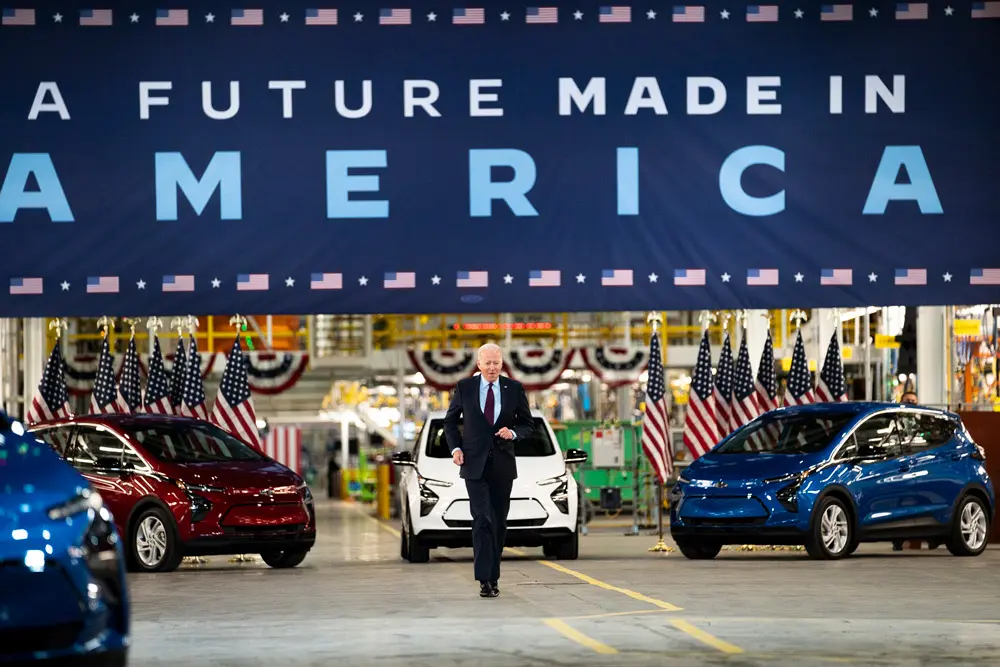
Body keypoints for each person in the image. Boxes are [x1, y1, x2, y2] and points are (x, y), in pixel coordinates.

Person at [444, 342, 534, 598]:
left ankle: (493, 574)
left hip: (503, 466)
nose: (493, 367)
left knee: (498, 523)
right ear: (479, 365)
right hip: (474, 465)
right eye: (488, 363)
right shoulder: (465, 387)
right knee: (481, 519)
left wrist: (514, 432)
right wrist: (455, 449)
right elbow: (450, 422)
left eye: (497, 362)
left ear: (502, 364)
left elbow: (528, 424)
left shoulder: (514, 389)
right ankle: (485, 579)